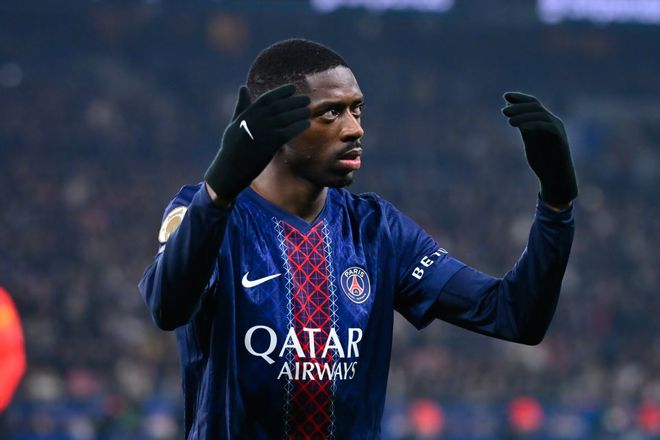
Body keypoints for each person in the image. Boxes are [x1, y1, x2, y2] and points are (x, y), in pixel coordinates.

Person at [138, 38, 577, 439]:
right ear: (274, 125)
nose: (354, 129)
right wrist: (219, 189)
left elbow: (514, 316)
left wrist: (556, 205)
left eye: (357, 110)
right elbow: (167, 306)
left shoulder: (377, 229)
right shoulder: (206, 211)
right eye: (331, 112)